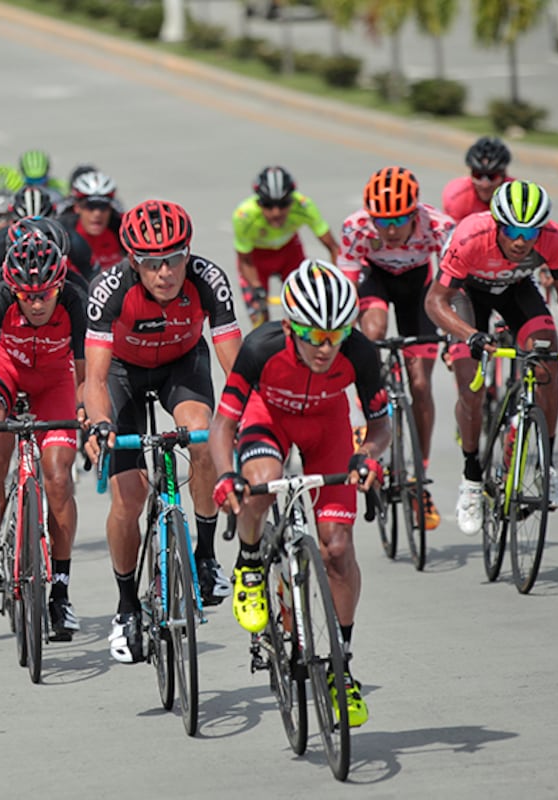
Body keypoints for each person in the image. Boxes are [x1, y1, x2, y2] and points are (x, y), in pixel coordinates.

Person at [210, 260, 388, 729]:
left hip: (327, 431)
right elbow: (224, 424)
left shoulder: (360, 352)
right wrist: (227, 475)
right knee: (262, 481)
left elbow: (381, 424)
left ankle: (340, 665)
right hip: (268, 419)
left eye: (336, 334)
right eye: (314, 336)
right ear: (290, 327)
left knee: (337, 548)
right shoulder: (260, 347)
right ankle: (250, 561)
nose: (326, 347)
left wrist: (369, 455)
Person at [82, 199, 242, 663]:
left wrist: (253, 412)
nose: (166, 272)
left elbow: (236, 361)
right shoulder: (109, 289)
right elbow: (94, 379)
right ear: (134, 261)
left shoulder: (207, 280)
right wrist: (100, 424)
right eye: (153, 263)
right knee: (127, 500)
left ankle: (207, 556)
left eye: (175, 258)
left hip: (182, 366)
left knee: (206, 435)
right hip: (123, 376)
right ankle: (127, 606)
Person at [424, 181, 558, 533]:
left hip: (516, 290)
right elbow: (435, 301)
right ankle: (472, 479)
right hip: (467, 294)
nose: (521, 240)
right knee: (471, 388)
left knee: (547, 359)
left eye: (530, 231)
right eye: (512, 230)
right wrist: (471, 336)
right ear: (497, 223)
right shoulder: (470, 237)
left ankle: (546, 467)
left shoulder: (554, 239)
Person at [0, 231, 87, 640]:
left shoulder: (77, 301)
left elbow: (85, 376)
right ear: (12, 288)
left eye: (44, 293)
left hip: (53, 382)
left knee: (60, 479)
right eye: (26, 295)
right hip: (4, 369)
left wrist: (85, 411)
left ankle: (60, 594)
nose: (36, 301)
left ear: (59, 284)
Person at [338, 166, 455, 529]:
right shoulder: (356, 227)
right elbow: (347, 284)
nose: (389, 230)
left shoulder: (439, 226)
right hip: (377, 282)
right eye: (381, 221)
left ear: (416, 212)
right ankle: (367, 402)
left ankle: (418, 477)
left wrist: (455, 334)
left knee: (420, 384)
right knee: (372, 330)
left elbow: (455, 284)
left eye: (399, 220)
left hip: (420, 288)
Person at [232, 165, 338, 328]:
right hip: (256, 260)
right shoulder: (244, 216)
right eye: (267, 204)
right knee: (260, 321)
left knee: (306, 311)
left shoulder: (304, 206)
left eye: (283, 204)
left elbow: (333, 248)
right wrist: (256, 286)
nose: (276, 212)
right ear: (258, 201)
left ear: (292, 199)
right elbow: (245, 261)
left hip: (289, 253)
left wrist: (337, 278)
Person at [56, 171, 125, 273]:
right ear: (77, 207)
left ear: (111, 208)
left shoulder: (121, 230)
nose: (97, 213)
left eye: (103, 206)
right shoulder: (63, 236)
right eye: (90, 206)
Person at [440, 137, 513, 223]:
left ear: (504, 174)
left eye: (492, 176)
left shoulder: (515, 194)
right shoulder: (457, 194)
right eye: (478, 175)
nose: (485, 184)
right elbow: (452, 234)